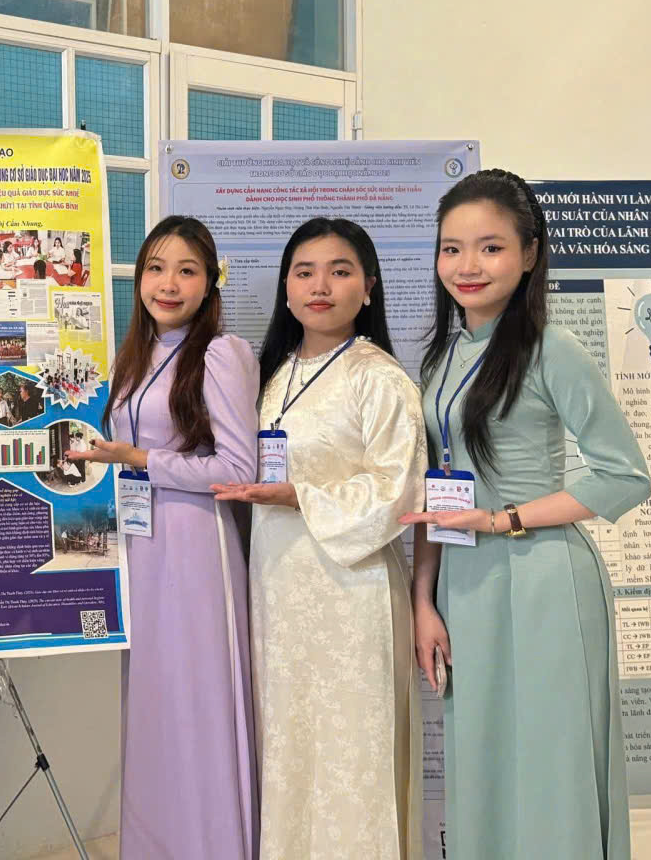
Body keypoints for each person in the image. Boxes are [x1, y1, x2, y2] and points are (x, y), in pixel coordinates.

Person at [402, 170, 649, 860]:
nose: (468, 266)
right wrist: (423, 601)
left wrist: (501, 520)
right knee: (482, 759)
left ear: (530, 254)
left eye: (490, 248)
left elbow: (625, 476)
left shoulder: (551, 347)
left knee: (549, 760)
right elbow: (437, 486)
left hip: (544, 579)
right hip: (465, 584)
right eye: (452, 248)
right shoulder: (443, 357)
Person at [212, 217, 425, 859]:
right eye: (304, 272)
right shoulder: (271, 376)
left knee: (352, 751)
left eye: (340, 271)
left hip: (352, 595)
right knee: (290, 747)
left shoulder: (379, 378)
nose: (320, 286)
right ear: (286, 288)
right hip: (278, 591)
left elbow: (399, 491)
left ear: (369, 287)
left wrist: (298, 495)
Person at [67, 215, 259, 858]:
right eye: (156, 268)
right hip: (140, 542)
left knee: (196, 700)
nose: (168, 284)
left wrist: (143, 460)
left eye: (186, 271)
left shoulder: (220, 355)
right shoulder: (134, 354)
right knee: (153, 703)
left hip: (194, 544)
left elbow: (238, 470)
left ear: (209, 284)